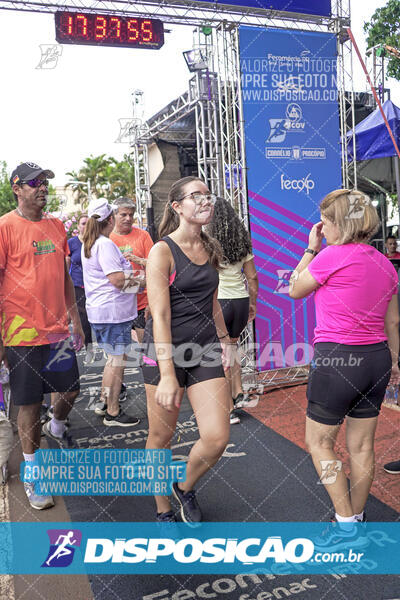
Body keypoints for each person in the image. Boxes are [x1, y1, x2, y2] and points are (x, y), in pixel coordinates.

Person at [289, 188, 400, 526]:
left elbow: (294, 289)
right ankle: (357, 515)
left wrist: (311, 248)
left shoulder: (331, 256)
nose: (322, 228)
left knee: (320, 442)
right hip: (377, 360)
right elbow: (393, 320)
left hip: (337, 360)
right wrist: (394, 364)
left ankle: (346, 521)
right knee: (362, 447)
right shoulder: (386, 263)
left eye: (324, 223)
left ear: (339, 225)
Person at [142, 176, 232, 523]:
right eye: (196, 196)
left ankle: (184, 485)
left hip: (205, 347)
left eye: (208, 195)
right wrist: (167, 375)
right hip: (163, 351)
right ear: (177, 206)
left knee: (217, 436)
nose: (205, 200)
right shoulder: (161, 251)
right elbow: (160, 316)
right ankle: (163, 509)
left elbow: (211, 302)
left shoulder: (209, 248)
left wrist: (225, 341)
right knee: (161, 435)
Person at [1, 162, 84, 510]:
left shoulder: (55, 227)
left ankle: (58, 425)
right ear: (17, 188)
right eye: (34, 183)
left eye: (45, 182)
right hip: (21, 333)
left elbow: (64, 275)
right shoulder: (5, 227)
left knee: (71, 388)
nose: (42, 187)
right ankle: (33, 474)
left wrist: (75, 316)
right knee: (30, 405)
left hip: (57, 330)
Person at [81, 197, 141, 427]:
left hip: (103, 312)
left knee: (112, 360)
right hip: (113, 313)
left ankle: (105, 402)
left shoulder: (92, 242)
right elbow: (117, 280)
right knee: (117, 361)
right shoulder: (104, 244)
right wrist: (145, 281)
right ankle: (113, 412)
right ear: (109, 220)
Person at [207, 198, 259, 424]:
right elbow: (253, 277)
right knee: (233, 347)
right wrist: (252, 302)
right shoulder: (242, 240)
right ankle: (238, 393)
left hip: (220, 302)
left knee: (223, 355)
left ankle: (227, 409)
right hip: (240, 300)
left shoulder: (208, 241)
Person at [110, 197, 154, 343]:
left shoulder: (143, 235)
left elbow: (155, 264)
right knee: (120, 353)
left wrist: (138, 260)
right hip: (118, 303)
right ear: (113, 215)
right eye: (123, 214)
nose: (128, 218)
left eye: (131, 214)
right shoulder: (107, 238)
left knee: (146, 348)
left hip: (142, 302)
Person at [66, 214, 93, 356]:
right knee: (84, 318)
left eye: (88, 223)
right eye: (83, 223)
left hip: (93, 286)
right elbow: (66, 264)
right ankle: (88, 346)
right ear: (78, 227)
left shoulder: (95, 242)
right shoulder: (72, 243)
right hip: (77, 286)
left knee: (94, 316)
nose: (86, 226)